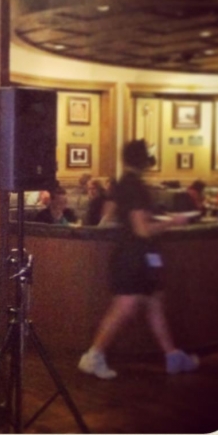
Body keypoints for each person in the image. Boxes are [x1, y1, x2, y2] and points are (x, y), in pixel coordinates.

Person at [78, 139, 199, 379]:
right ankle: (93, 356)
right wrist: (173, 221)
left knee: (154, 303)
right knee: (126, 306)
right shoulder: (135, 186)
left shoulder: (122, 183)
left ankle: (173, 356)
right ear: (144, 160)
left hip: (134, 255)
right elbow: (142, 230)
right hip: (135, 257)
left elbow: (108, 215)